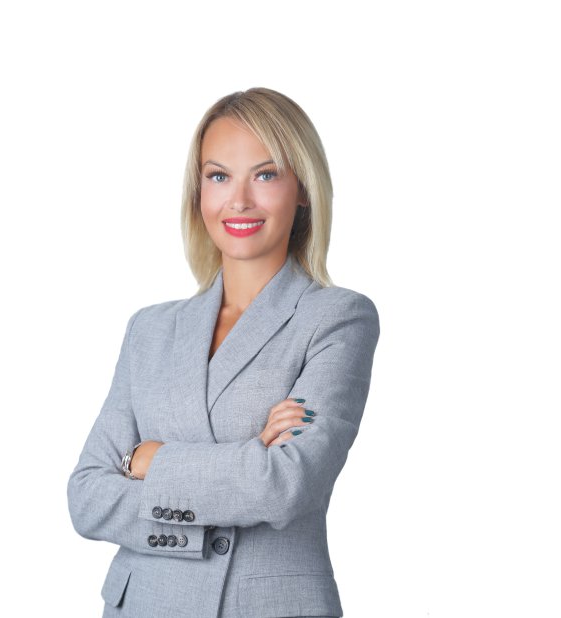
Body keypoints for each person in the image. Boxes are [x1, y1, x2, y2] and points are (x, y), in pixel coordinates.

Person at [67, 87, 380, 617]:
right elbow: (87, 498)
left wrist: (149, 460)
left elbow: (285, 485)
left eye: (265, 174)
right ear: (198, 192)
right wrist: (248, 458)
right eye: (218, 176)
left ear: (303, 189)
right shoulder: (150, 330)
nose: (238, 200)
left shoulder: (337, 318)